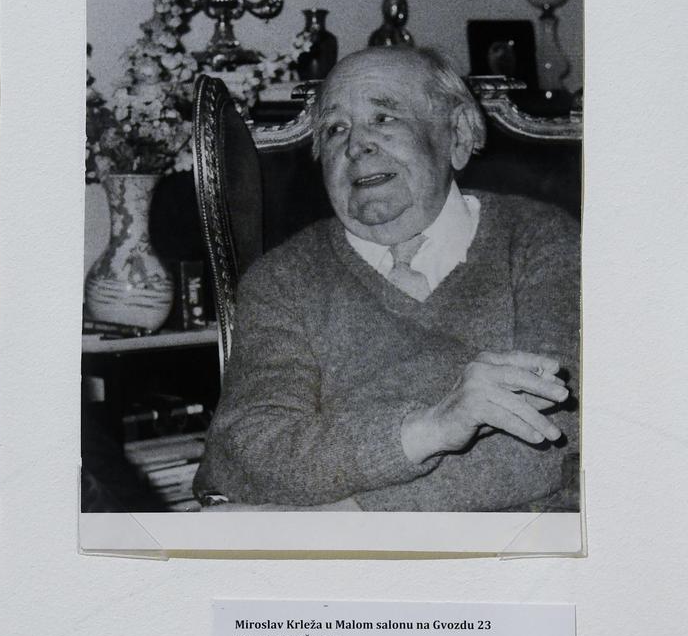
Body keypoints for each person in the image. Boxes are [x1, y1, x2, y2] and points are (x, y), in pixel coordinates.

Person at [195, 47, 579, 512]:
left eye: (384, 118)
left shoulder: (543, 241)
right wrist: (428, 430)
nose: (356, 145)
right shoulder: (282, 280)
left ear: (457, 135)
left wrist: (347, 515)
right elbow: (244, 458)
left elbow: (564, 436)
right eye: (335, 129)